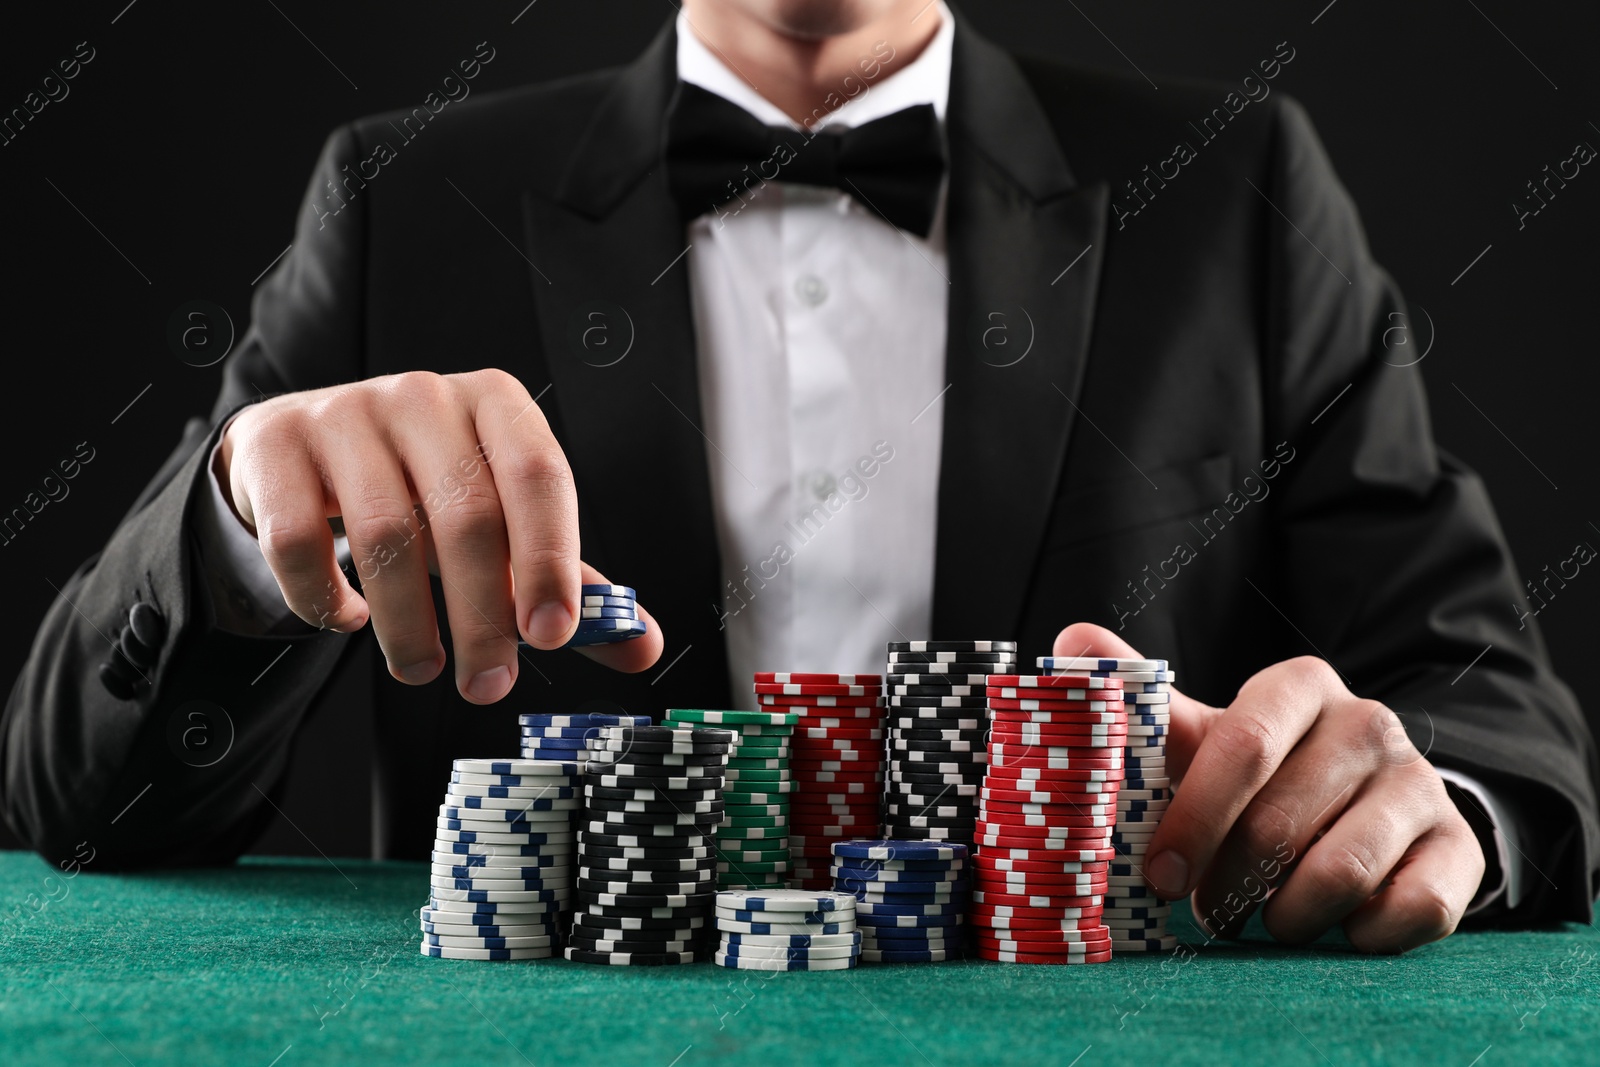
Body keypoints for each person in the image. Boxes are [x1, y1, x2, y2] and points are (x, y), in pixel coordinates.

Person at [3, 0, 1594, 954]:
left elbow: (1487, 704)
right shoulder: (406, 200)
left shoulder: (1239, 190)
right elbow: (74, 801)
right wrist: (232, 531)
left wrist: (1427, 801)